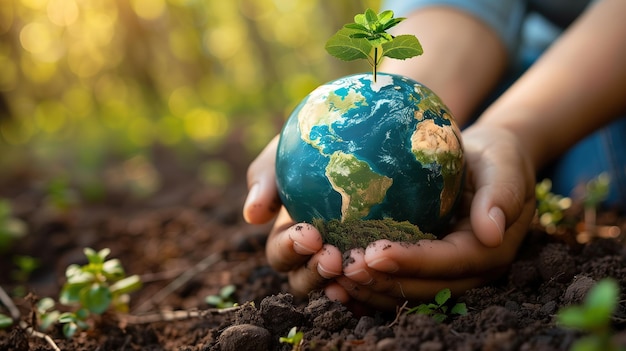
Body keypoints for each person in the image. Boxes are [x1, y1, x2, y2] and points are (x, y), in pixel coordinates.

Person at [243, 0, 626, 311]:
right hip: (499, 69)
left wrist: (515, 131)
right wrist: (411, 102)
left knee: (605, 175)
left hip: (596, 87)